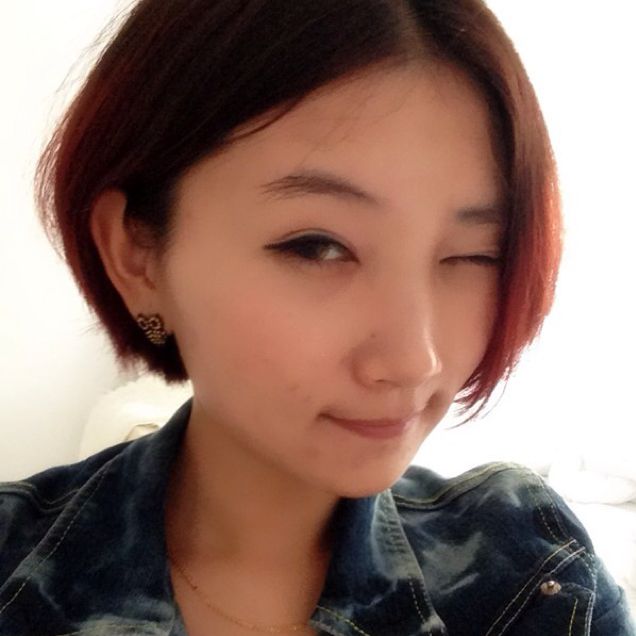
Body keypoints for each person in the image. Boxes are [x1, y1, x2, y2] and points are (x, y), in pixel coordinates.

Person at [0, 0, 634, 634]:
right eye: (317, 247)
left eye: (474, 254)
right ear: (136, 254)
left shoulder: (530, 579)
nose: (415, 361)